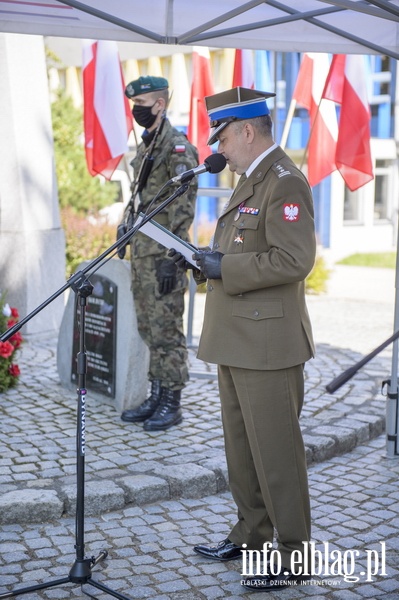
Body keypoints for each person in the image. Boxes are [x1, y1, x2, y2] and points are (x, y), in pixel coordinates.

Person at [170, 86, 316, 590]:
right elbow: (240, 251)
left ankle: (295, 553)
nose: (219, 148)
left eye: (224, 137)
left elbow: (294, 261)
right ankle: (253, 534)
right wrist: (201, 263)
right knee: (241, 449)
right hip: (237, 338)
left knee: (276, 452)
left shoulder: (284, 182)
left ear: (247, 131)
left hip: (269, 345)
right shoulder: (249, 178)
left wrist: (224, 266)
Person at [121, 76, 198, 431]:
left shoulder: (177, 147)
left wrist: (174, 257)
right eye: (134, 104)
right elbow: (141, 198)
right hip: (142, 253)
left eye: (143, 103)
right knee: (149, 327)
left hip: (163, 256)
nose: (136, 110)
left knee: (168, 329)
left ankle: (172, 401)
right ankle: (156, 393)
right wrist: (126, 225)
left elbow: (183, 207)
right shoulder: (149, 145)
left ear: (160, 105)